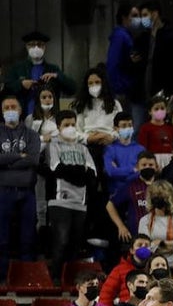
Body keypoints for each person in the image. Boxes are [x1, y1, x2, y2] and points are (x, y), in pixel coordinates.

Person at [44, 110, 98, 276]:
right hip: (60, 202)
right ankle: (55, 277)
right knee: (61, 241)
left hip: (80, 203)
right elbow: (56, 169)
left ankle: (70, 278)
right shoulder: (53, 146)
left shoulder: (83, 148)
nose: (70, 128)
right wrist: (79, 173)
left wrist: (75, 173)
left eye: (73, 124)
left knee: (75, 243)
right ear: (58, 127)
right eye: (66, 125)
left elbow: (92, 173)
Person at [0, 94, 41, 275]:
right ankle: (2, 276)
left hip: (27, 192)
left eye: (13, 107)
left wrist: (7, 162)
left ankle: (27, 277)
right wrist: (19, 156)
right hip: (3, 191)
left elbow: (33, 159)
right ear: (2, 112)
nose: (10, 111)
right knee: (2, 237)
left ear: (20, 110)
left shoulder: (31, 134)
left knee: (28, 237)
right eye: (6, 108)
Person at [5, 31, 76, 117]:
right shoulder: (17, 68)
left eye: (39, 44)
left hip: (49, 118)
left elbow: (72, 89)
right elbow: (7, 88)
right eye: (32, 44)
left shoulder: (53, 69)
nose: (36, 48)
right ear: (26, 47)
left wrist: (57, 76)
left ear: (44, 47)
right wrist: (21, 84)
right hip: (24, 116)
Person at [136, 0, 173, 112]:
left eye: (145, 15)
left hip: (165, 91)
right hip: (143, 92)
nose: (142, 19)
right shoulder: (142, 38)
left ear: (155, 14)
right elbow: (135, 59)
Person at [138, 180, 173, 262]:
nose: (157, 197)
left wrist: (161, 243)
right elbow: (146, 246)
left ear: (169, 198)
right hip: (152, 262)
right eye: (154, 195)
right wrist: (171, 246)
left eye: (161, 195)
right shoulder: (144, 220)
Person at [104, 111, 144, 200]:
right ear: (116, 128)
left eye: (130, 125)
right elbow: (111, 172)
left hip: (136, 194)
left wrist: (119, 170)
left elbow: (142, 172)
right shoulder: (110, 149)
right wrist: (133, 169)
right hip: (115, 194)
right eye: (124, 126)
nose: (128, 128)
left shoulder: (140, 149)